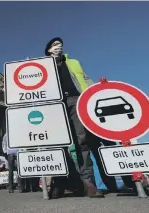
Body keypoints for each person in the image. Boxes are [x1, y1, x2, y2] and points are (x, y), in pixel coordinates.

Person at [44, 37, 104, 199]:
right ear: (49, 50)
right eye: (55, 45)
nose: (59, 47)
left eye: (60, 45)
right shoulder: (43, 66)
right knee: (59, 143)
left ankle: (88, 182)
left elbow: (84, 79)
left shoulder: (74, 62)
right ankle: (63, 181)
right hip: (55, 104)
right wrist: (53, 63)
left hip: (77, 101)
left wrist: (97, 94)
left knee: (81, 141)